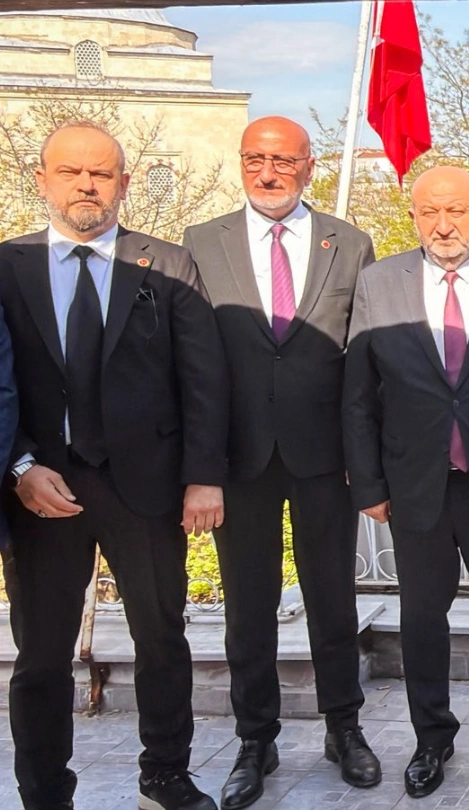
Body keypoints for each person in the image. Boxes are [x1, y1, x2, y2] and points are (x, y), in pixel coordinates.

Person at [0, 120, 229, 810]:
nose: (85, 185)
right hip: (41, 489)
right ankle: (43, 792)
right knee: (40, 657)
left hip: (146, 489)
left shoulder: (167, 266)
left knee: (161, 639)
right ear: (41, 180)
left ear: (124, 184)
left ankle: (165, 775)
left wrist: (203, 475)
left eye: (101, 173)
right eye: (70, 172)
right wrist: (17, 467)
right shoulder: (5, 267)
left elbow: (203, 379)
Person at [183, 115, 380, 809]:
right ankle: (254, 738)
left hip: (326, 455)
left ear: (309, 166)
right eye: (255, 159)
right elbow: (195, 365)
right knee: (248, 605)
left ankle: (344, 727)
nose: (268, 172)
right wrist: (199, 466)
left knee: (333, 597)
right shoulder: (202, 243)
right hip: (239, 457)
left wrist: (366, 458)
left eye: (283, 161)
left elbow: (365, 361)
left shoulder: (349, 244)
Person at [342, 166, 469, 800]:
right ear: (413, 217)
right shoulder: (380, 283)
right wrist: (368, 483)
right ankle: (431, 738)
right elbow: (358, 394)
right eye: (430, 212)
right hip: (415, 482)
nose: (444, 224)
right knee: (421, 618)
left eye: (457, 211)